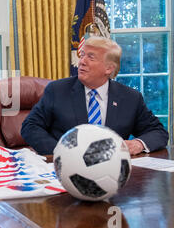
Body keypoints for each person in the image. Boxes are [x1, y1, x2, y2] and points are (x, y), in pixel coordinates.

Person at [21, 36, 168, 156]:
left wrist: (137, 144)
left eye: (91, 57)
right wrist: (62, 152)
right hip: (67, 169)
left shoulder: (130, 98)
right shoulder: (57, 90)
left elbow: (158, 132)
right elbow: (30, 126)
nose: (82, 61)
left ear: (109, 68)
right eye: (82, 55)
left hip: (112, 172)